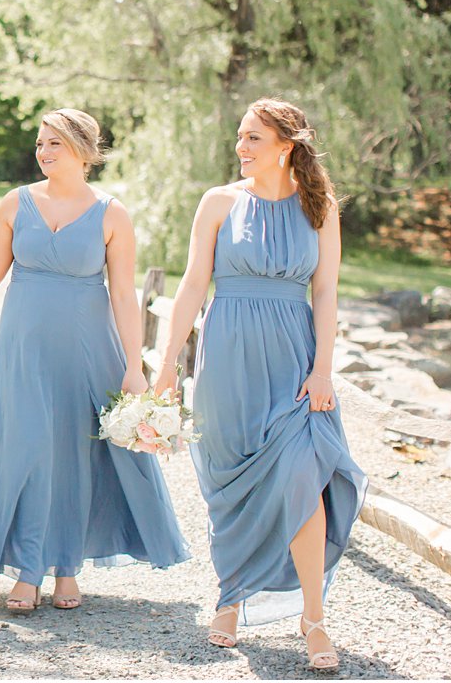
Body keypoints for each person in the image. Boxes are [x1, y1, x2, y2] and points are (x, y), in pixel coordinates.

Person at [0, 108, 188, 613]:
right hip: (21, 349)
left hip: (89, 350)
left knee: (76, 454)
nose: (44, 153)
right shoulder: (14, 202)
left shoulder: (112, 213)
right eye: (41, 144)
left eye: (55, 144)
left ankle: (66, 568)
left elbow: (125, 296)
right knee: (27, 450)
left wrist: (135, 369)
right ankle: (27, 570)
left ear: (84, 151)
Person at [151, 98, 366, 672]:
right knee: (232, 485)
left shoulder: (318, 208)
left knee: (304, 478)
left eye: (254, 139)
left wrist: (323, 368)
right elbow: (193, 285)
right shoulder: (219, 203)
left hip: (295, 365)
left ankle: (314, 617)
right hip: (228, 363)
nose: (241, 148)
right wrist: (168, 364)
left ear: (286, 145)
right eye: (240, 137)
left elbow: (325, 293)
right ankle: (232, 594)